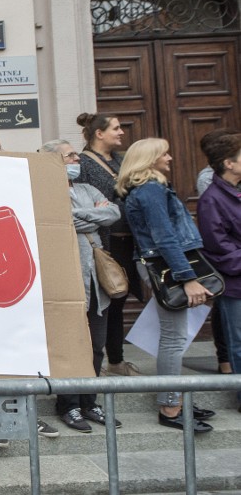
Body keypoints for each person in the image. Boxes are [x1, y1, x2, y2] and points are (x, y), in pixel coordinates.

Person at [116, 138, 216, 432]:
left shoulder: (149, 189)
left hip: (163, 264)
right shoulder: (149, 191)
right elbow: (164, 238)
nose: (171, 158)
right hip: (167, 267)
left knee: (172, 335)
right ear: (149, 159)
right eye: (164, 153)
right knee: (173, 338)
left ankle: (176, 399)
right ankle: (170, 407)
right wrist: (187, 278)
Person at [40, 140, 122, 433]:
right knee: (70, 345)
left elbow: (113, 214)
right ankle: (68, 404)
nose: (77, 158)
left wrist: (79, 217)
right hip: (66, 279)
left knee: (95, 346)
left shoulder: (87, 189)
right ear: (52, 162)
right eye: (70, 155)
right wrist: (92, 216)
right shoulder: (44, 194)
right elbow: (56, 222)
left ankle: (89, 402)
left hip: (96, 281)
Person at [75, 112, 143, 377]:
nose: (121, 132)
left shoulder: (121, 160)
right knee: (101, 304)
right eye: (115, 128)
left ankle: (116, 359)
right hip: (103, 245)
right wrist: (103, 211)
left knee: (119, 299)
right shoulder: (82, 164)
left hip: (128, 243)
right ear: (99, 134)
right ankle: (95, 362)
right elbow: (82, 205)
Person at [197, 133, 241, 407]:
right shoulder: (211, 200)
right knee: (239, 342)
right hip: (235, 285)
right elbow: (218, 247)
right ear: (229, 164)